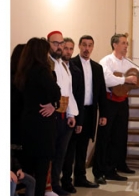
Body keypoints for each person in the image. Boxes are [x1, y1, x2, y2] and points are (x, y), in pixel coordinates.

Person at [15, 37, 61, 196]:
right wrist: (54, 104)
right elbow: (56, 91)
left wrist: (52, 104)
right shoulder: (41, 70)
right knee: (41, 171)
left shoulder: (23, 71)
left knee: (28, 170)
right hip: (42, 126)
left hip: (27, 123)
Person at [97, 33, 139, 182]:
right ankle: (100, 171)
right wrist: (125, 79)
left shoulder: (127, 62)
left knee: (119, 136)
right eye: (124, 43)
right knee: (105, 136)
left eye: (127, 43)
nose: (126, 46)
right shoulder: (106, 61)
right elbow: (107, 79)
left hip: (122, 102)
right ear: (115, 45)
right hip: (109, 102)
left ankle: (114, 167)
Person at [64, 35, 106, 189]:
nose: (87, 48)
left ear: (93, 47)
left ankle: (80, 177)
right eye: (84, 45)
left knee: (83, 147)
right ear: (79, 47)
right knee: (71, 147)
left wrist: (103, 114)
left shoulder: (97, 67)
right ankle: (66, 180)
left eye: (90, 45)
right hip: (75, 111)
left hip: (90, 111)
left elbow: (101, 92)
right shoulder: (71, 64)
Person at [48, 31, 78, 196]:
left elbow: (69, 92)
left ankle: (55, 184)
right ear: (49, 44)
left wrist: (71, 115)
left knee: (61, 153)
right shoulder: (47, 64)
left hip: (63, 116)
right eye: (55, 43)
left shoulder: (64, 66)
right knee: (50, 153)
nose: (59, 47)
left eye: (61, 44)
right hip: (51, 116)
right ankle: (47, 186)